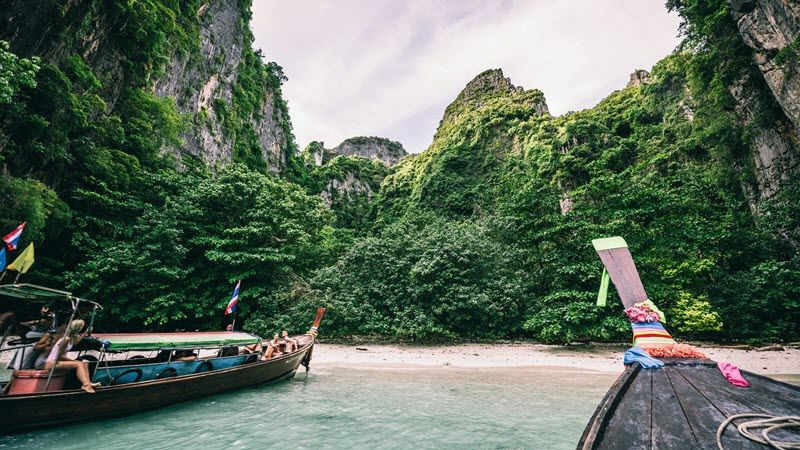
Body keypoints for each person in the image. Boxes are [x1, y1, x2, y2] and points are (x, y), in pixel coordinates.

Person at [41, 319, 100, 393]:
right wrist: (72, 361)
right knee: (78, 364)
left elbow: (77, 341)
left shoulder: (71, 339)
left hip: (56, 362)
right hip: (51, 363)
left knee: (84, 362)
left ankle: (88, 383)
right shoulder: (66, 339)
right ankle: (85, 385)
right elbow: (59, 356)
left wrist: (85, 333)